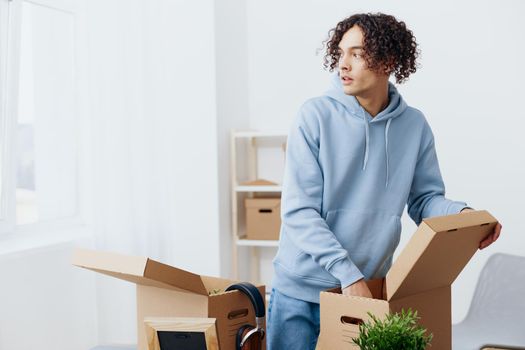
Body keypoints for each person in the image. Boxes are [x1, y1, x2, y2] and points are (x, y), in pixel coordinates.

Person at [266, 12, 502, 350]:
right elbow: (299, 211)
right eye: (342, 52)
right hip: (301, 293)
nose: (343, 64)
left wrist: (462, 216)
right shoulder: (314, 116)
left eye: (357, 53)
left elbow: (424, 200)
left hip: (365, 291)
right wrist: (349, 275)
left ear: (388, 60)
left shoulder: (414, 126)